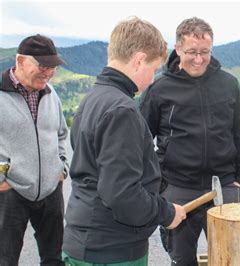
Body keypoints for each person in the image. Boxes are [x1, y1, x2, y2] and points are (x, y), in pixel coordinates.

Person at [62, 17, 186, 265]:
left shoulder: (93, 98)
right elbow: (121, 194)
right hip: (111, 251)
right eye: (153, 69)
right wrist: (167, 212)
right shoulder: (122, 110)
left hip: (83, 240)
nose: (151, 80)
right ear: (139, 60)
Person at [139, 17, 240, 265]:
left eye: (205, 52)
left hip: (225, 186)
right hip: (179, 189)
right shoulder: (159, 89)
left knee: (233, 258)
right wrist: (160, 186)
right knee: (182, 260)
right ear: (178, 49)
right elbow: (141, 142)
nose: (198, 59)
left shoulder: (228, 83)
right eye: (191, 52)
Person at [0, 34, 69, 265]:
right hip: (10, 191)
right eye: (42, 65)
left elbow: (61, 133)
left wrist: (61, 167)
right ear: (20, 61)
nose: (48, 72)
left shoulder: (51, 94)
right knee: (5, 259)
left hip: (51, 190)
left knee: (53, 258)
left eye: (52, 67)